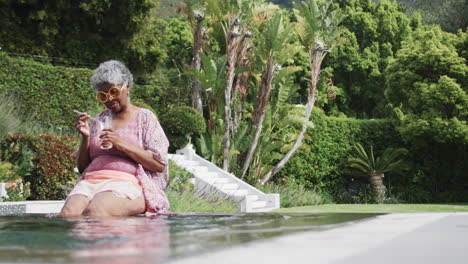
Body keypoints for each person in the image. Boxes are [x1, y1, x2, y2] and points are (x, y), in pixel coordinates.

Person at [60, 60, 170, 217]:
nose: (109, 99)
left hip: (127, 183)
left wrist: (121, 143)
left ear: (127, 87)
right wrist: (85, 138)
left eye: (113, 92)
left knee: (97, 210)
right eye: (103, 95)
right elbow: (82, 167)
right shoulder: (98, 120)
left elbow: (159, 165)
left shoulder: (145, 118)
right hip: (91, 181)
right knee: (68, 214)